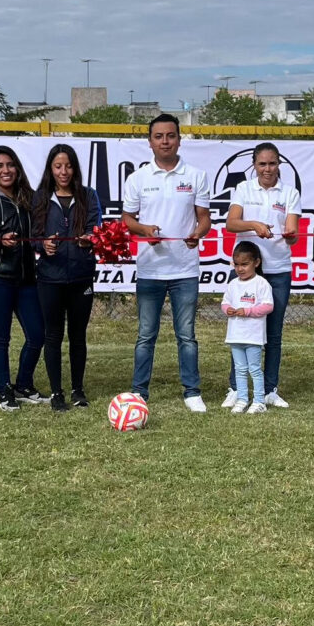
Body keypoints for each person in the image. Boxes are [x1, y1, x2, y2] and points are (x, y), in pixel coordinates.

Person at [123, 114, 212, 411]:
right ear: (149, 142)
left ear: (179, 139)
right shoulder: (137, 179)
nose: (165, 141)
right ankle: (139, 392)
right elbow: (127, 220)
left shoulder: (196, 175)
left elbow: (204, 220)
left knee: (186, 335)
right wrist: (144, 230)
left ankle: (192, 391)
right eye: (159, 136)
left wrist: (197, 234)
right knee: (146, 335)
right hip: (150, 269)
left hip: (185, 269)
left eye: (170, 135)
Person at [223, 142, 301, 409]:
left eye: (273, 163)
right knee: (241, 330)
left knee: (274, 334)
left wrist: (291, 235)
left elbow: (291, 234)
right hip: (246, 272)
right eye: (262, 164)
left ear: (279, 164)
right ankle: (236, 388)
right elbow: (231, 223)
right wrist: (254, 225)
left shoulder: (290, 193)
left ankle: (269, 389)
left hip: (278, 271)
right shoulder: (243, 189)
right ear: (254, 166)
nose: (268, 169)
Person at [0, 145, 47, 411]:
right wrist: (0, 241)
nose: (6, 170)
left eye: (10, 165)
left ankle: (24, 384)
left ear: (17, 168)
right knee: (1, 338)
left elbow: (38, 232)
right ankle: (4, 390)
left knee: (37, 334)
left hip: (27, 276)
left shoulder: (27, 195)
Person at [32, 144, 102, 413]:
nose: (64, 171)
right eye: (58, 166)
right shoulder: (40, 197)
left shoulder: (88, 195)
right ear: (51, 168)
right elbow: (33, 234)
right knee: (53, 335)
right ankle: (56, 392)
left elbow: (96, 228)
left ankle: (77, 389)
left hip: (81, 276)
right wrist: (42, 246)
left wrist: (89, 239)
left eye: (68, 166)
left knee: (78, 335)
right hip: (49, 277)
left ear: (75, 168)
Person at [221, 242, 274, 415]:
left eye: (245, 264)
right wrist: (227, 309)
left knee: (254, 369)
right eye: (236, 264)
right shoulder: (233, 284)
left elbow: (268, 306)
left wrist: (248, 311)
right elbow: (225, 302)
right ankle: (242, 399)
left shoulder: (261, 283)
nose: (240, 268)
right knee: (240, 369)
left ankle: (259, 401)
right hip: (235, 336)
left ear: (256, 263)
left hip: (253, 336)